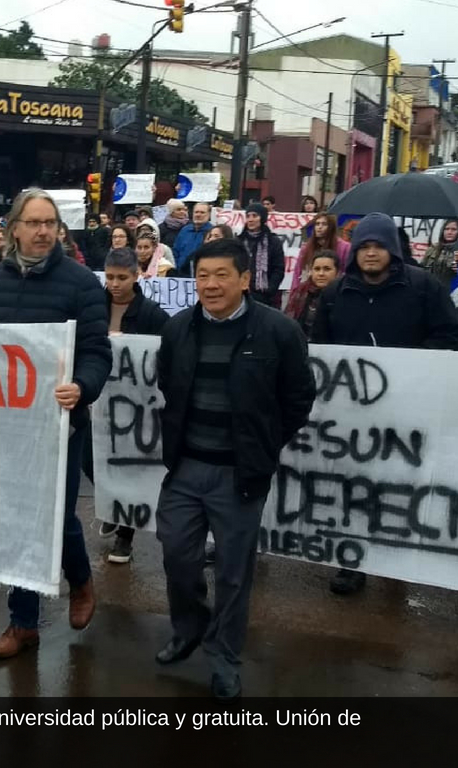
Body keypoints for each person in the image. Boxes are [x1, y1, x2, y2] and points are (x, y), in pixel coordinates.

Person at [0, 188, 112, 659]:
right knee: (17, 521)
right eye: (33, 223)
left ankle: (80, 581)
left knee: (56, 521)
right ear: (13, 229)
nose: (42, 231)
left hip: (62, 421)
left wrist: (81, 386)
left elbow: (99, 352)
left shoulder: (82, 284)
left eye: (50, 223)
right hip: (10, 425)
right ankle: (23, 623)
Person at [155, 238, 315, 699]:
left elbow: (298, 399)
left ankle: (224, 656)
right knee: (176, 556)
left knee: (232, 573)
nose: (211, 284)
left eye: (222, 274)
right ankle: (189, 628)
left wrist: (261, 447)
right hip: (186, 468)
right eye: (202, 276)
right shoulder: (178, 329)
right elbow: (170, 384)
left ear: (245, 279)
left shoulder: (279, 332)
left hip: (240, 476)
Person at [312, 213, 458, 595]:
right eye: (364, 247)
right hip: (351, 414)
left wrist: (406, 368)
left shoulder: (424, 287)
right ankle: (352, 561)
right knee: (353, 485)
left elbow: (449, 335)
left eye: (378, 246)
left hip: (409, 411)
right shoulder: (334, 293)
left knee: (400, 486)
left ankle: (395, 560)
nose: (371, 253)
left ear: (392, 250)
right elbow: (322, 349)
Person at [94, 248, 169, 563]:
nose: (114, 284)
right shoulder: (94, 305)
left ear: (137, 275)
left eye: (122, 278)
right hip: (98, 398)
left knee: (129, 464)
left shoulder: (151, 313)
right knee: (94, 458)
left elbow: (165, 350)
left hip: (134, 405)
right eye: (110, 277)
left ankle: (124, 534)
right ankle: (112, 504)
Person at [238, 203, 285, 306]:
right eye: (248, 216)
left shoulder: (273, 241)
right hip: (240, 294)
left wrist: (270, 289)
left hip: (264, 296)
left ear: (262, 218)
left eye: (254, 216)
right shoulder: (239, 241)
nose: (250, 219)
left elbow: (278, 268)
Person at [284, 250, 338, 340]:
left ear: (337, 272)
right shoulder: (300, 293)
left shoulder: (342, 295)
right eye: (317, 269)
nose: (321, 274)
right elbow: (287, 325)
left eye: (327, 269)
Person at [291, 213, 350, 293]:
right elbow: (297, 272)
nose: (319, 227)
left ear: (331, 227)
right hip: (309, 292)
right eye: (317, 224)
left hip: (335, 291)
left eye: (324, 224)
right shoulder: (306, 248)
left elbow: (346, 272)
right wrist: (295, 292)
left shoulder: (344, 247)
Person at [172, 202, 213, 275]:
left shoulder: (212, 232)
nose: (198, 215)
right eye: (196, 212)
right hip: (181, 275)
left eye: (202, 212)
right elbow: (176, 251)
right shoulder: (184, 230)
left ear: (209, 215)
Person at [422, 219, 458, 291]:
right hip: (432, 290)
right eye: (446, 229)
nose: (449, 232)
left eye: (454, 229)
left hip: (453, 293)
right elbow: (423, 268)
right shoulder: (433, 249)